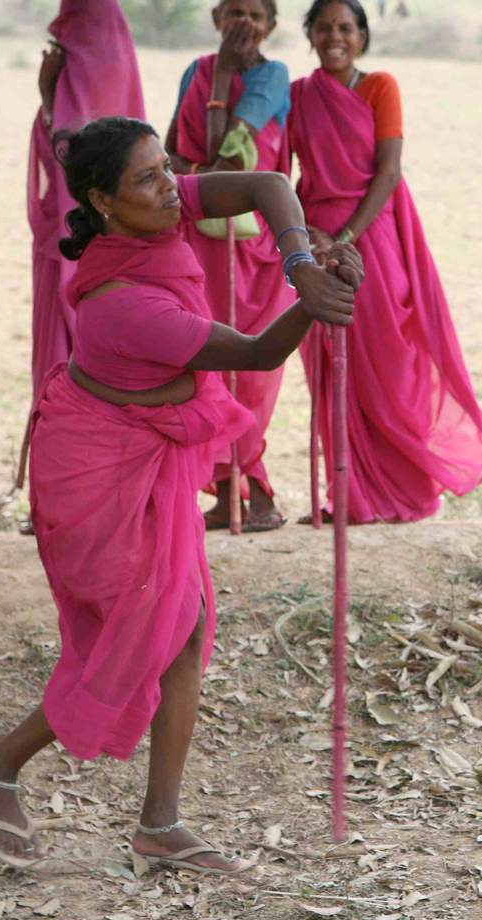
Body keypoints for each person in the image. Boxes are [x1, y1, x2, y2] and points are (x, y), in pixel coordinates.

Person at [0, 116, 363, 874]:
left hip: (146, 446)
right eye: (148, 177)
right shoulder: (123, 304)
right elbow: (263, 352)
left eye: (167, 168)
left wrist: (301, 261)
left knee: (186, 626)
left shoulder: (162, 208)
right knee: (146, 630)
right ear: (105, 200)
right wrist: (316, 298)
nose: (171, 187)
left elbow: (269, 185)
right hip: (97, 468)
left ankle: (159, 825)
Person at [288, 0, 482, 524]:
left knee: (387, 360)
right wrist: (309, 235)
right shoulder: (298, 96)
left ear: (363, 36)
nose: (336, 36)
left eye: (347, 28)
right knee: (331, 368)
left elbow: (389, 171)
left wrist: (344, 236)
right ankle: (352, 497)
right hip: (312, 242)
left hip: (370, 238)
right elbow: (281, 170)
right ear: (309, 34)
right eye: (325, 27)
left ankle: (404, 491)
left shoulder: (380, 87)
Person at [166, 0, 296, 532]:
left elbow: (227, 154)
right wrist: (203, 171)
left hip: (256, 247)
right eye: (233, 12)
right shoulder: (193, 71)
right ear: (216, 18)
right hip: (199, 238)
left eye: (255, 16)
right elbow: (171, 150)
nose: (244, 25)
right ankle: (230, 493)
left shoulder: (273, 74)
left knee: (251, 373)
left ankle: (256, 488)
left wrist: (223, 71)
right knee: (207, 360)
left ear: (271, 27)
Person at [20, 0, 145, 538]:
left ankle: (69, 501)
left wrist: (49, 94)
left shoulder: (87, 64)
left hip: (79, 243)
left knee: (69, 368)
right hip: (104, 243)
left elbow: (72, 155)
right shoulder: (112, 58)